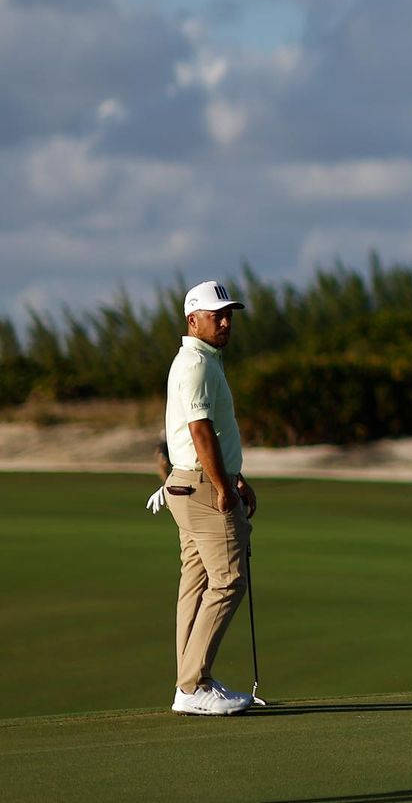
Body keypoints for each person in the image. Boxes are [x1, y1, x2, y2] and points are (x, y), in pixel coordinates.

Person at [161, 279, 258, 716]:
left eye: (228, 315)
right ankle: (193, 684)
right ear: (192, 319)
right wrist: (224, 487)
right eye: (216, 315)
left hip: (189, 483)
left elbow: (207, 432)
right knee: (229, 580)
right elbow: (200, 433)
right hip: (201, 485)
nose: (225, 322)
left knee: (196, 582)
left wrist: (235, 477)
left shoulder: (200, 360)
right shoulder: (198, 363)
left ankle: (189, 683)